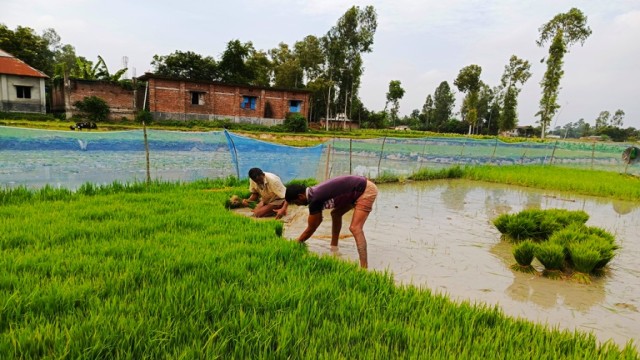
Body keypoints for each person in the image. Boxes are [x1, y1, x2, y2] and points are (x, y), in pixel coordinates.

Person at [285, 175, 378, 268]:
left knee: (355, 228)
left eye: (296, 202)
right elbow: (318, 220)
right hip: (355, 189)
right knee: (336, 214)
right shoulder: (312, 193)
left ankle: (364, 268)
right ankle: (334, 247)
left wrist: (296, 242)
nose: (298, 205)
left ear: (300, 196)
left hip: (365, 190)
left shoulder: (314, 199)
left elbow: (311, 228)